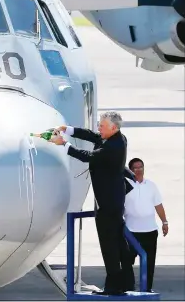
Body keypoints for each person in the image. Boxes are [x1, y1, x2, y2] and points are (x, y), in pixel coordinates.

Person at [49, 111, 134, 295]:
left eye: (102, 126)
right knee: (118, 242)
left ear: (113, 127)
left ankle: (113, 287)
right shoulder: (115, 138)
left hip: (108, 205)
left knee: (109, 245)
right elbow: (92, 135)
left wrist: (63, 144)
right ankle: (125, 282)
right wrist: (68, 130)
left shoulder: (113, 147)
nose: (98, 129)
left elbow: (87, 155)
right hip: (114, 201)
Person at [124, 157, 168, 292]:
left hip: (149, 231)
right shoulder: (125, 185)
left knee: (149, 263)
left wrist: (164, 222)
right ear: (130, 170)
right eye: (135, 168)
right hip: (131, 231)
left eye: (141, 167)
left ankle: (146, 289)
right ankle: (128, 287)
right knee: (126, 262)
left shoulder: (151, 185)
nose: (139, 170)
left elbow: (158, 205)